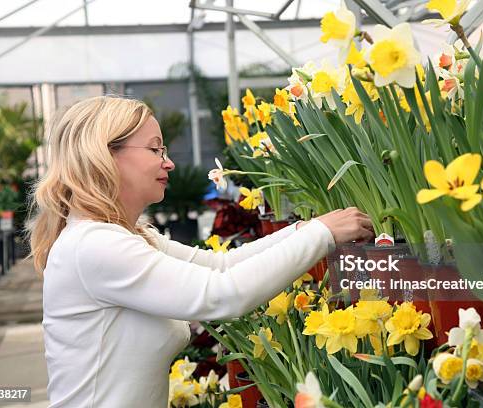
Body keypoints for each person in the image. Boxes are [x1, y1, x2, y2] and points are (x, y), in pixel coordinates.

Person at [26, 95, 374, 407]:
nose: (169, 163)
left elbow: (220, 265)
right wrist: (322, 234)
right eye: (155, 149)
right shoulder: (95, 246)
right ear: (106, 154)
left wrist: (303, 229)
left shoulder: (125, 237)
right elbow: (222, 293)